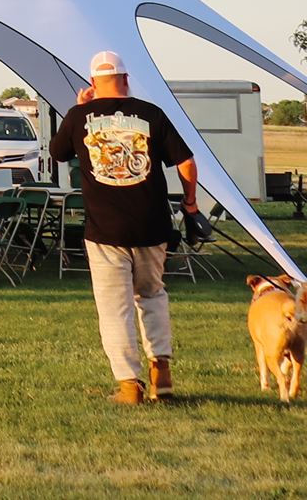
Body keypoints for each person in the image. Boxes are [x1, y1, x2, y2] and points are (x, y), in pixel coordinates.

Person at [51, 50, 199, 404]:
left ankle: (129, 385)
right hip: (152, 225)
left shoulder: (78, 116)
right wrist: (190, 202)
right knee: (152, 295)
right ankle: (160, 368)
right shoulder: (151, 114)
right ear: (126, 79)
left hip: (106, 230)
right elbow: (187, 162)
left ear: (92, 83)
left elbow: (58, 153)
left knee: (114, 307)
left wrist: (79, 107)